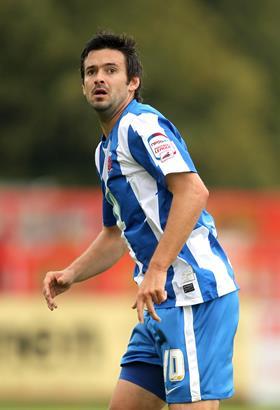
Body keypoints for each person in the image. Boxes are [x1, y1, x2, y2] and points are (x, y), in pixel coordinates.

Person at [43, 32, 239, 410]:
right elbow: (115, 235)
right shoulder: (105, 152)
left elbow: (194, 193)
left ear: (132, 83)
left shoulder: (141, 125)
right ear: (83, 86)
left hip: (193, 293)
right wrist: (70, 274)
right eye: (91, 72)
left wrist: (158, 269)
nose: (99, 78)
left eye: (111, 70)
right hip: (157, 303)